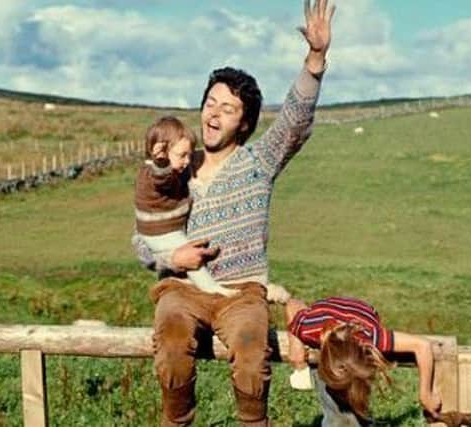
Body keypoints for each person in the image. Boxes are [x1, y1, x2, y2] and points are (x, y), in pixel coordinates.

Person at [131, 1, 336, 425]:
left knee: (250, 345)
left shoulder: (259, 161)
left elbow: (295, 121)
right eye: (211, 102)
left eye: (228, 109)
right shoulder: (175, 172)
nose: (213, 113)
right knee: (170, 337)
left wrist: (315, 61)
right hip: (183, 289)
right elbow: (142, 236)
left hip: (242, 291)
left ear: (243, 124)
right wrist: (173, 260)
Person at [285, 296, 442, 426]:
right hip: (324, 312)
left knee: (353, 405)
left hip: (363, 311)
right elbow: (293, 303)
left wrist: (425, 394)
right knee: (338, 409)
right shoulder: (309, 329)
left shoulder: (372, 338)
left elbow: (423, 346)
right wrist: (295, 342)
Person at [134, 116, 239, 297]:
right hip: (159, 230)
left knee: (187, 248)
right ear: (160, 152)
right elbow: (163, 179)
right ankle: (211, 288)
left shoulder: (167, 171)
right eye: (182, 155)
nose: (187, 161)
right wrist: (161, 162)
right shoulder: (155, 173)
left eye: (189, 155)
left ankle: (196, 274)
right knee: (190, 254)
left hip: (163, 229)